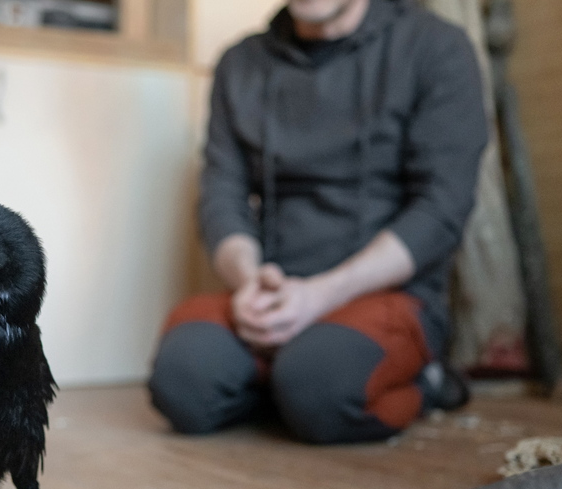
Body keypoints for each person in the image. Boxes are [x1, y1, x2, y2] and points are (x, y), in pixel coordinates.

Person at [148, 0, 488, 443]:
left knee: (320, 387)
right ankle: (289, 384)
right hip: (273, 290)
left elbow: (441, 208)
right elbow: (221, 196)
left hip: (385, 293)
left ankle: (427, 385)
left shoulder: (435, 46)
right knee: (182, 384)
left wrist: (322, 294)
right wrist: (248, 281)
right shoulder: (241, 62)